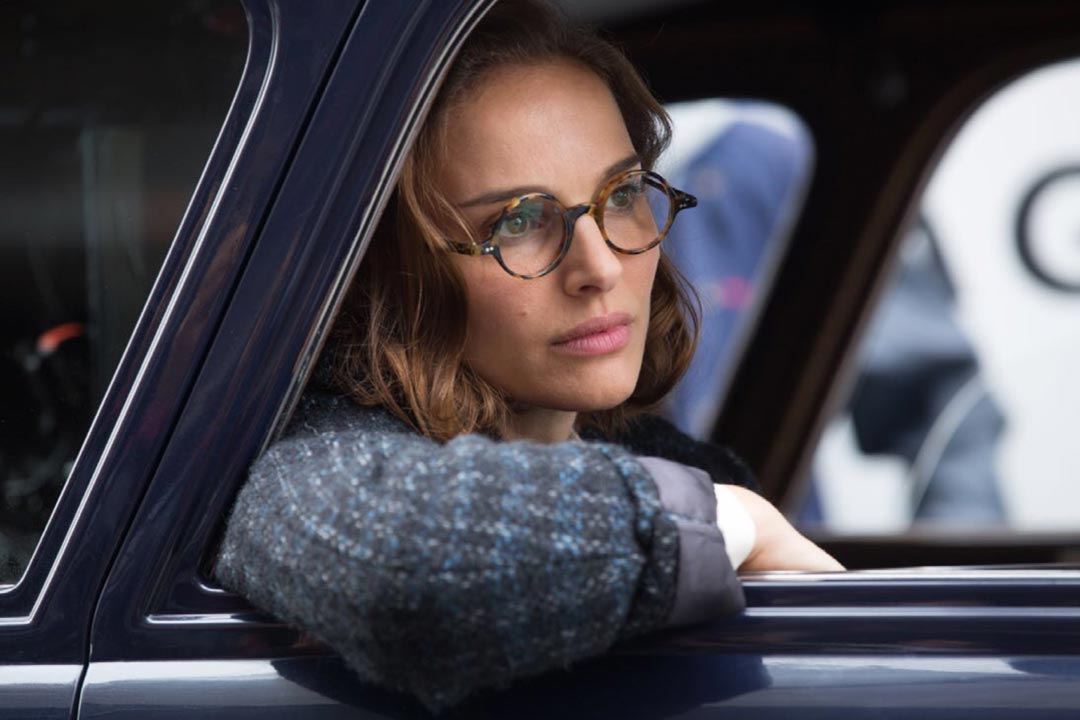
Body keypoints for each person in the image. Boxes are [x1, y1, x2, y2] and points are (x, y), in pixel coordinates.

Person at [214, 0, 841, 711]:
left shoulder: (679, 464)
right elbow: (401, 576)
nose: (600, 267)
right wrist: (733, 522)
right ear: (390, 271)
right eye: (517, 221)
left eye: (624, 192)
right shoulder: (314, 459)